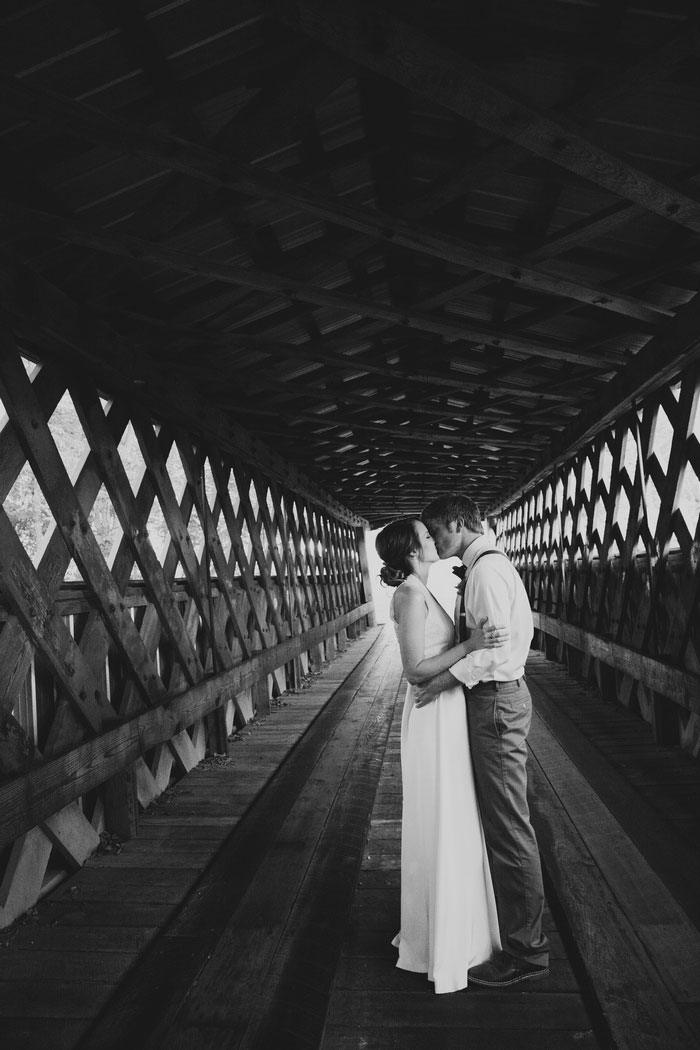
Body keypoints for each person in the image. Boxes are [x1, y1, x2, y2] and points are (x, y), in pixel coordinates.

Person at [416, 494, 549, 987]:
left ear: (457, 521)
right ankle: (507, 933)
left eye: (436, 530)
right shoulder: (482, 567)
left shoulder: (488, 572)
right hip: (493, 701)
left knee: (509, 825)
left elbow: (496, 653)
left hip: (495, 700)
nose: (432, 539)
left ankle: (527, 952)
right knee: (499, 819)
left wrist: (440, 681)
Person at [375, 516, 507, 993]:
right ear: (411, 549)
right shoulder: (409, 594)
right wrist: (470, 645)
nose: (434, 538)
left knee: (457, 816)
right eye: (425, 536)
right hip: (431, 714)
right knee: (442, 816)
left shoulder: (424, 588)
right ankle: (438, 942)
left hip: (447, 709)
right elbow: (414, 670)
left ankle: (459, 932)